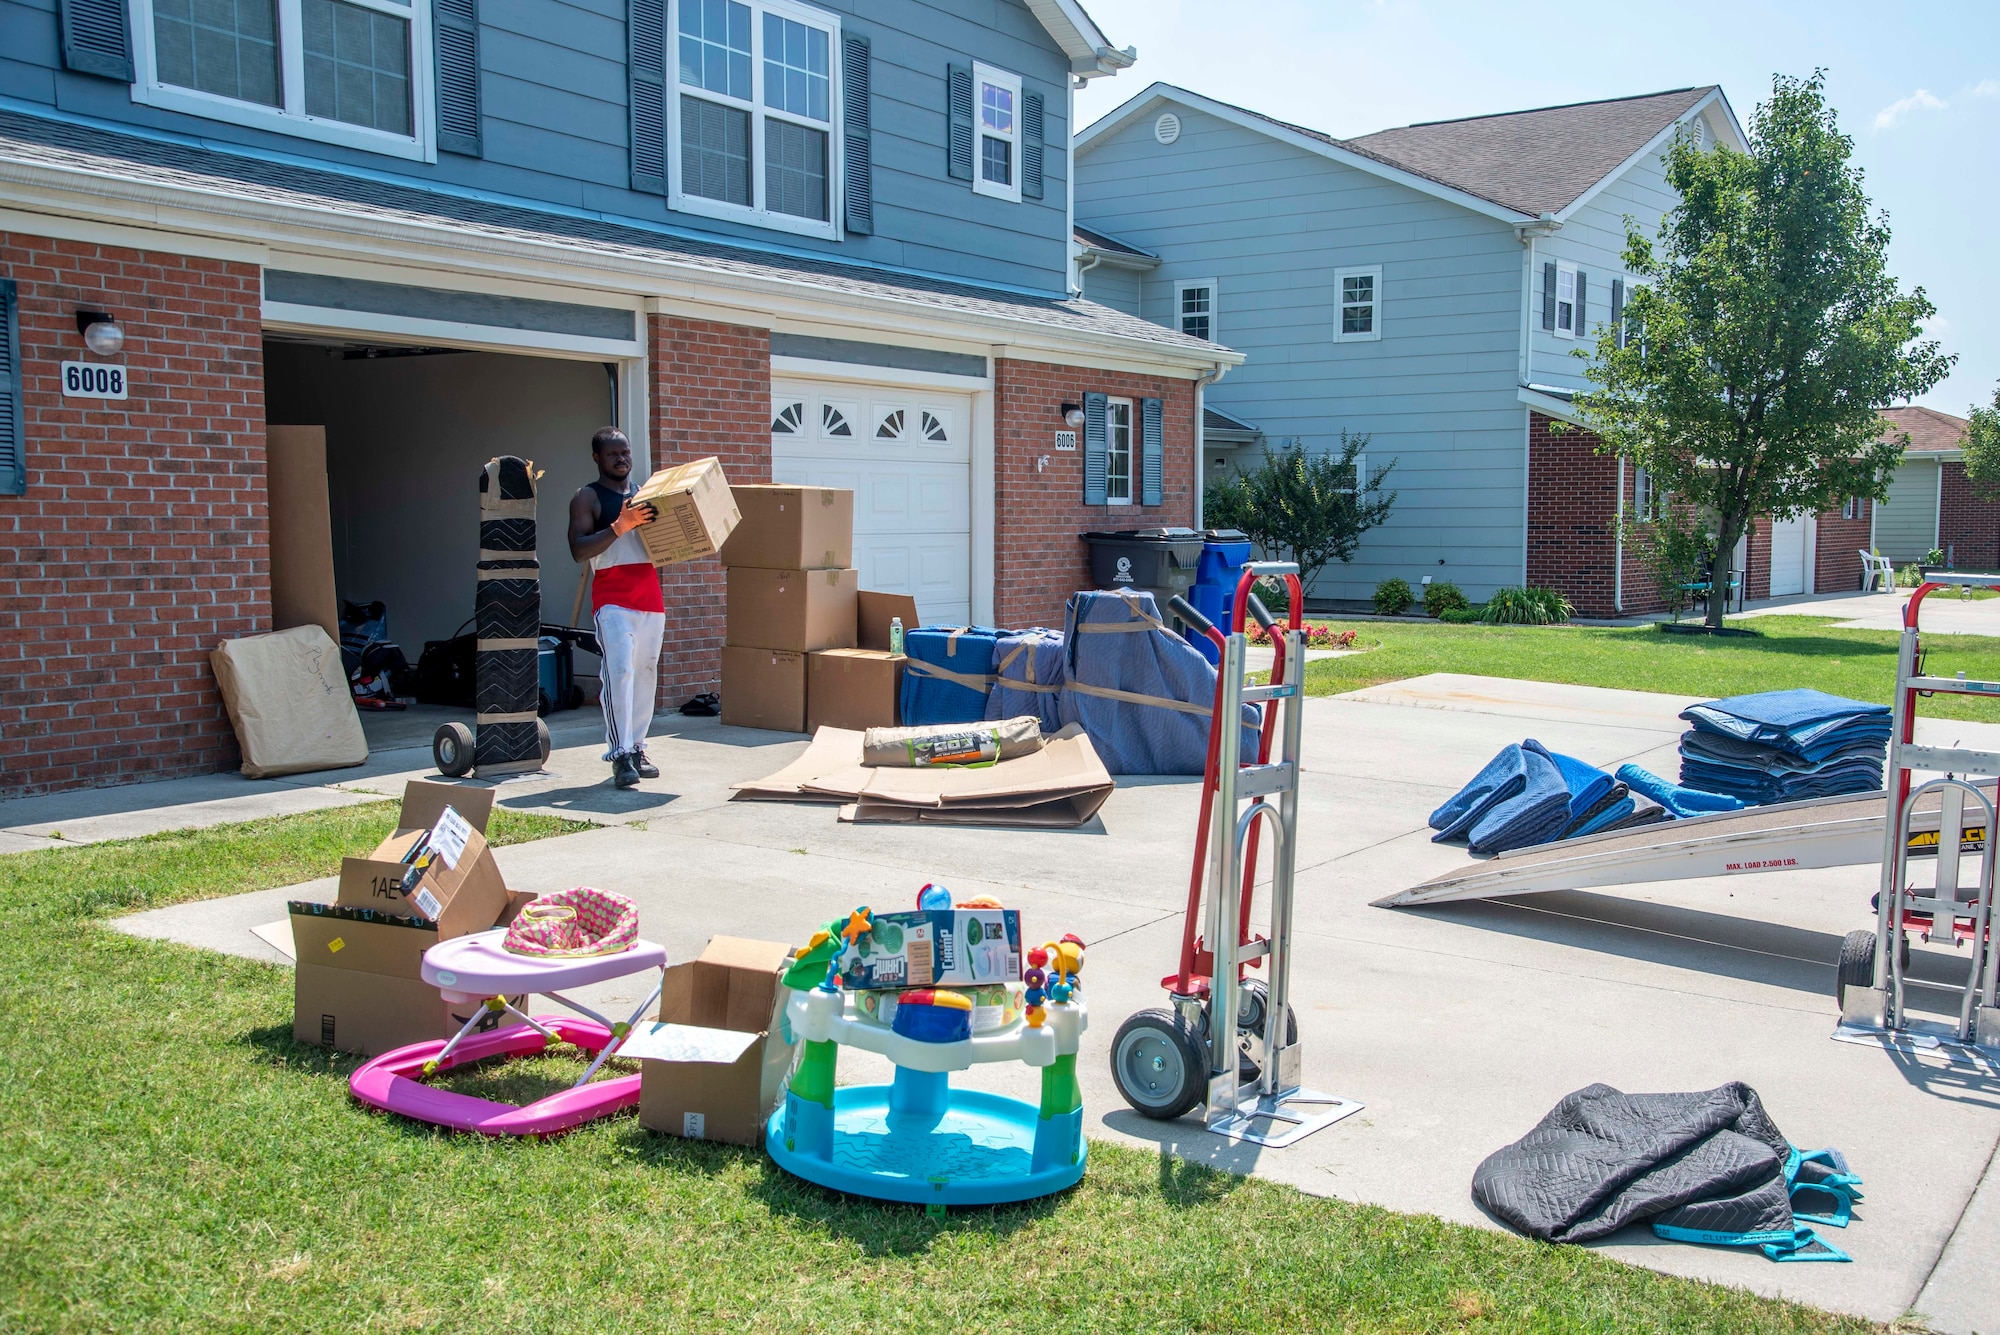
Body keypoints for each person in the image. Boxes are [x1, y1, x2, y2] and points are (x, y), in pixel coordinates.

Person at [568, 427, 662, 789]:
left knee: (646, 672)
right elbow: (579, 549)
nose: (621, 459)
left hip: (650, 596)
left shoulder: (646, 495)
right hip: (612, 598)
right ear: (597, 458)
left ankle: (638, 747)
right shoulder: (587, 497)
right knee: (619, 671)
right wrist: (620, 525)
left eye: (625, 452)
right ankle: (620, 754)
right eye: (613, 454)